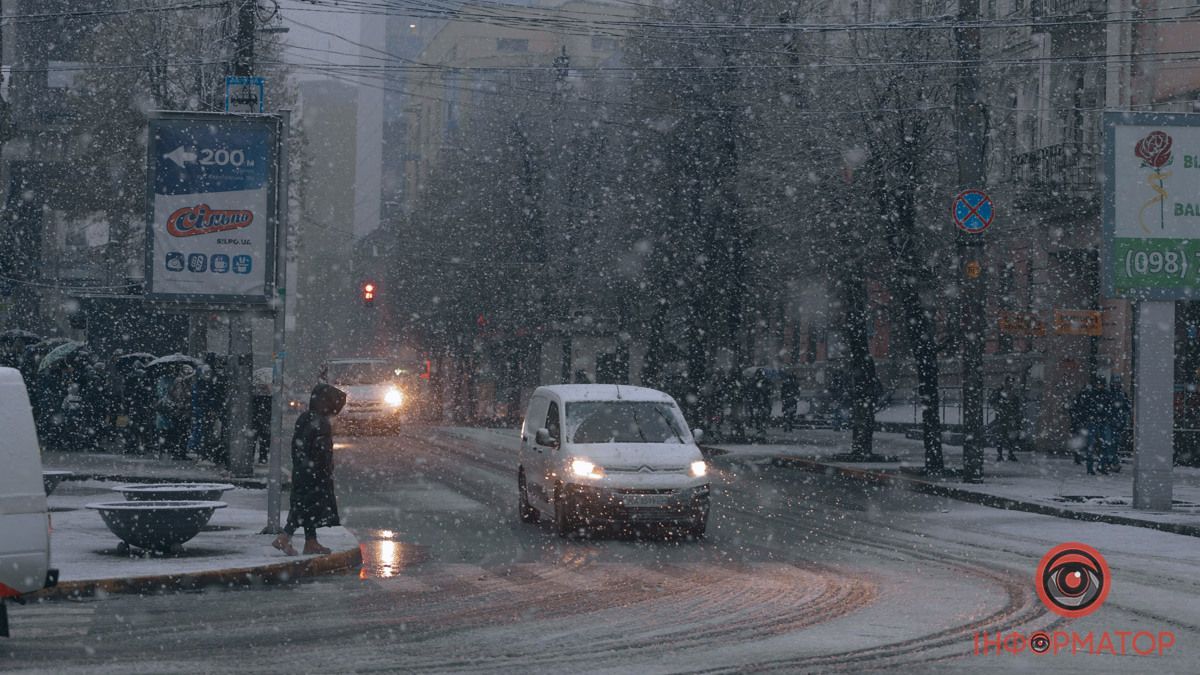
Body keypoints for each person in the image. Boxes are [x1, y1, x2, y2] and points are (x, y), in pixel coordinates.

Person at [273, 383, 346, 556]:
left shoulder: (305, 417)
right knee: (306, 506)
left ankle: (311, 542)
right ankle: (284, 537)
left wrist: (302, 466)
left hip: (302, 470)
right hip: (315, 473)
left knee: (306, 505)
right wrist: (324, 471)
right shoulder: (321, 423)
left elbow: (297, 446)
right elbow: (321, 452)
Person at [1070, 377, 1110, 476]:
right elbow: (1084, 408)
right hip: (1094, 422)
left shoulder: (1101, 395)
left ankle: (1099, 466)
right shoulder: (1091, 395)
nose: (1099, 386)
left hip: (1100, 422)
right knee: (1092, 446)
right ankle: (1092, 467)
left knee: (1101, 446)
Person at [989, 376, 1023, 462]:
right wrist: (998, 408)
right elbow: (992, 400)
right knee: (1000, 436)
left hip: (1010, 417)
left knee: (1011, 436)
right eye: (1009, 382)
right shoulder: (1000, 391)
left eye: (1012, 382)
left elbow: (1016, 404)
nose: (1011, 384)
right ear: (1006, 382)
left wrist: (1016, 415)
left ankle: (1010, 454)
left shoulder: (1013, 392)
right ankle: (1000, 455)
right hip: (1002, 417)